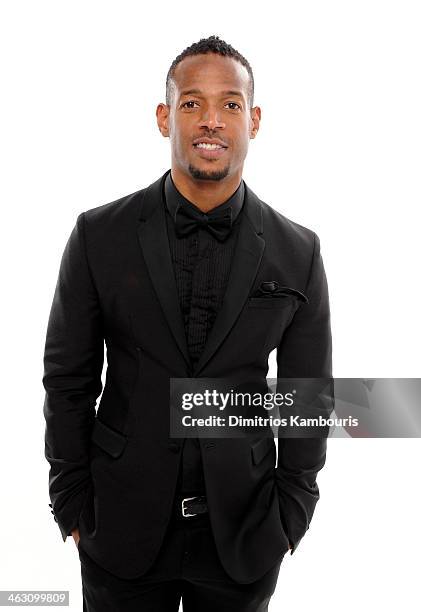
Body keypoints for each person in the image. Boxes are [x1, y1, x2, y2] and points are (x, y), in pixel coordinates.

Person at [43, 35, 332, 611]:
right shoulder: (98, 236)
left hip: (245, 535)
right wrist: (71, 497)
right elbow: (68, 378)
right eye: (191, 102)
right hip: (119, 530)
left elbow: (308, 398)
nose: (211, 120)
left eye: (230, 104)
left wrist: (291, 511)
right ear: (163, 117)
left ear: (253, 120)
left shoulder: (297, 250)